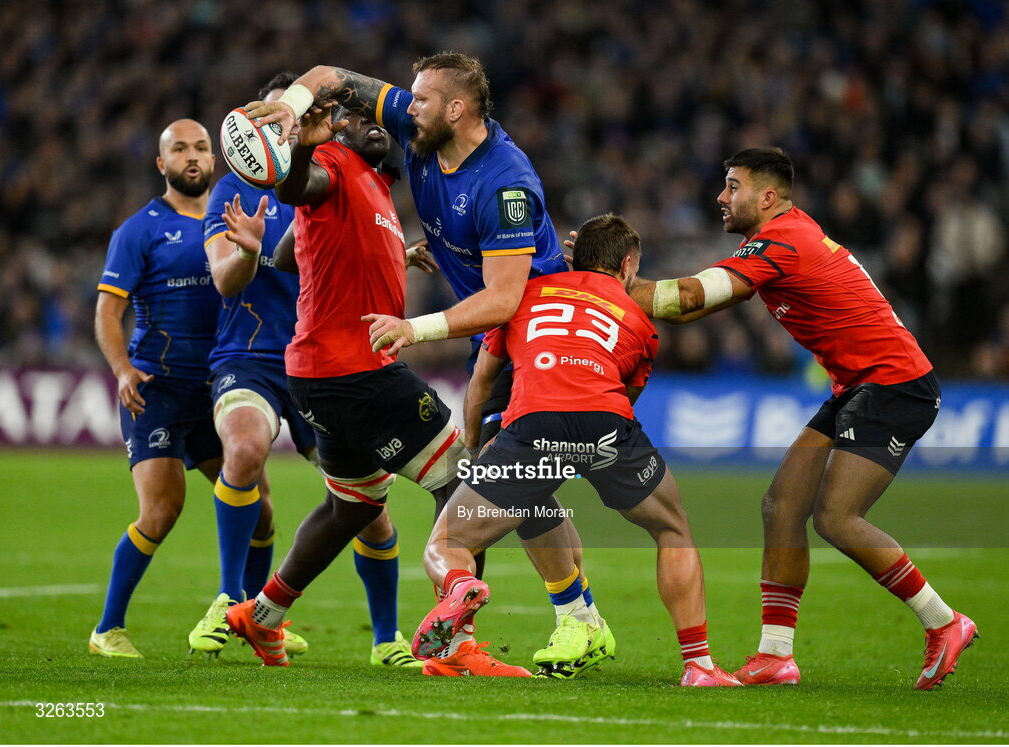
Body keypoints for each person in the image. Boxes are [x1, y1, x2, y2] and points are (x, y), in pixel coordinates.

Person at [247, 52, 613, 676]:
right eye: (407, 99)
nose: (402, 110)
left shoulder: (507, 184)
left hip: (541, 340)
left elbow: (504, 297)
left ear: (456, 110)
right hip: (459, 351)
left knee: (498, 483)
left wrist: (413, 328)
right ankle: (575, 620)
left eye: (418, 102)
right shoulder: (411, 139)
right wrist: (289, 109)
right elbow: (331, 76)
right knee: (510, 482)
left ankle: (552, 623)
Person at [630, 147, 977, 690]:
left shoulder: (782, 241)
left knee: (836, 517)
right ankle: (776, 655)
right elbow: (696, 301)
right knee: (780, 506)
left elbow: (692, 298)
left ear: (766, 197)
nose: (721, 198)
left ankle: (945, 621)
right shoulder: (782, 235)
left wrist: (611, 282)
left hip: (894, 384)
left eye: (732, 186)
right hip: (859, 385)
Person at [222, 98, 528, 676]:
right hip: (356, 368)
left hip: (318, 376)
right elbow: (298, 189)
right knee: (463, 481)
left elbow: (290, 252)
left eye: (380, 121)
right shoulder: (333, 162)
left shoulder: (372, 187)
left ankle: (261, 616)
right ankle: (456, 640)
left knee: (351, 506)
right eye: (363, 119)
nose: (377, 128)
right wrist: (305, 148)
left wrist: (391, 252)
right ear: (336, 125)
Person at [417, 214, 740, 685]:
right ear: (628, 264)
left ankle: (462, 585)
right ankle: (699, 665)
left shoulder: (524, 295)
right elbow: (626, 398)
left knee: (449, 543)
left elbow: (483, 380)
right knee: (673, 528)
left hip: (531, 426)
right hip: (606, 425)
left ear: (576, 256)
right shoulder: (638, 318)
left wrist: (474, 449)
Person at [190, 73, 416, 668]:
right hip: (254, 357)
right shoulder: (239, 187)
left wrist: (391, 251)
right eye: (323, 110)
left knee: (368, 508)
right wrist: (248, 249)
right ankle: (229, 597)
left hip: (325, 362)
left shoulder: (337, 175)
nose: (337, 117)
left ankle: (386, 638)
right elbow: (224, 280)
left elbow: (305, 249)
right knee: (243, 454)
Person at [89, 119, 222, 657]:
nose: (192, 157)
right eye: (179, 150)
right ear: (161, 164)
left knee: (257, 508)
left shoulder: (231, 220)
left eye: (201, 148)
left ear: (214, 158)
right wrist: (122, 369)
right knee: (163, 511)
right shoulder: (138, 230)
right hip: (157, 388)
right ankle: (107, 629)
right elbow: (107, 311)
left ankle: (256, 617)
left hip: (217, 387)